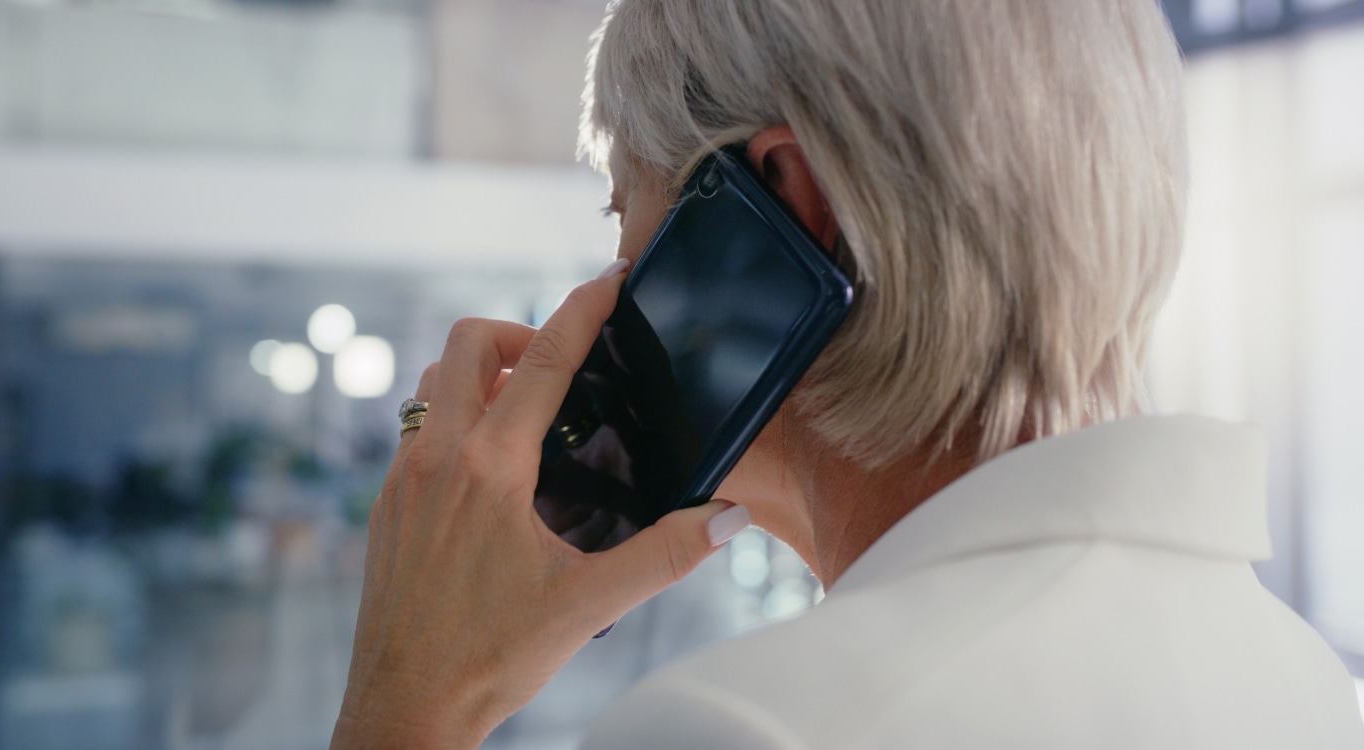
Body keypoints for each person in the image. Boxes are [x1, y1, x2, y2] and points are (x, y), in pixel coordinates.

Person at [331, 1, 1364, 748]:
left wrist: (412, 706)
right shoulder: (1307, 681)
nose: (609, 281)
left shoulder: (744, 727)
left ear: (788, 205)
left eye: (624, 214)